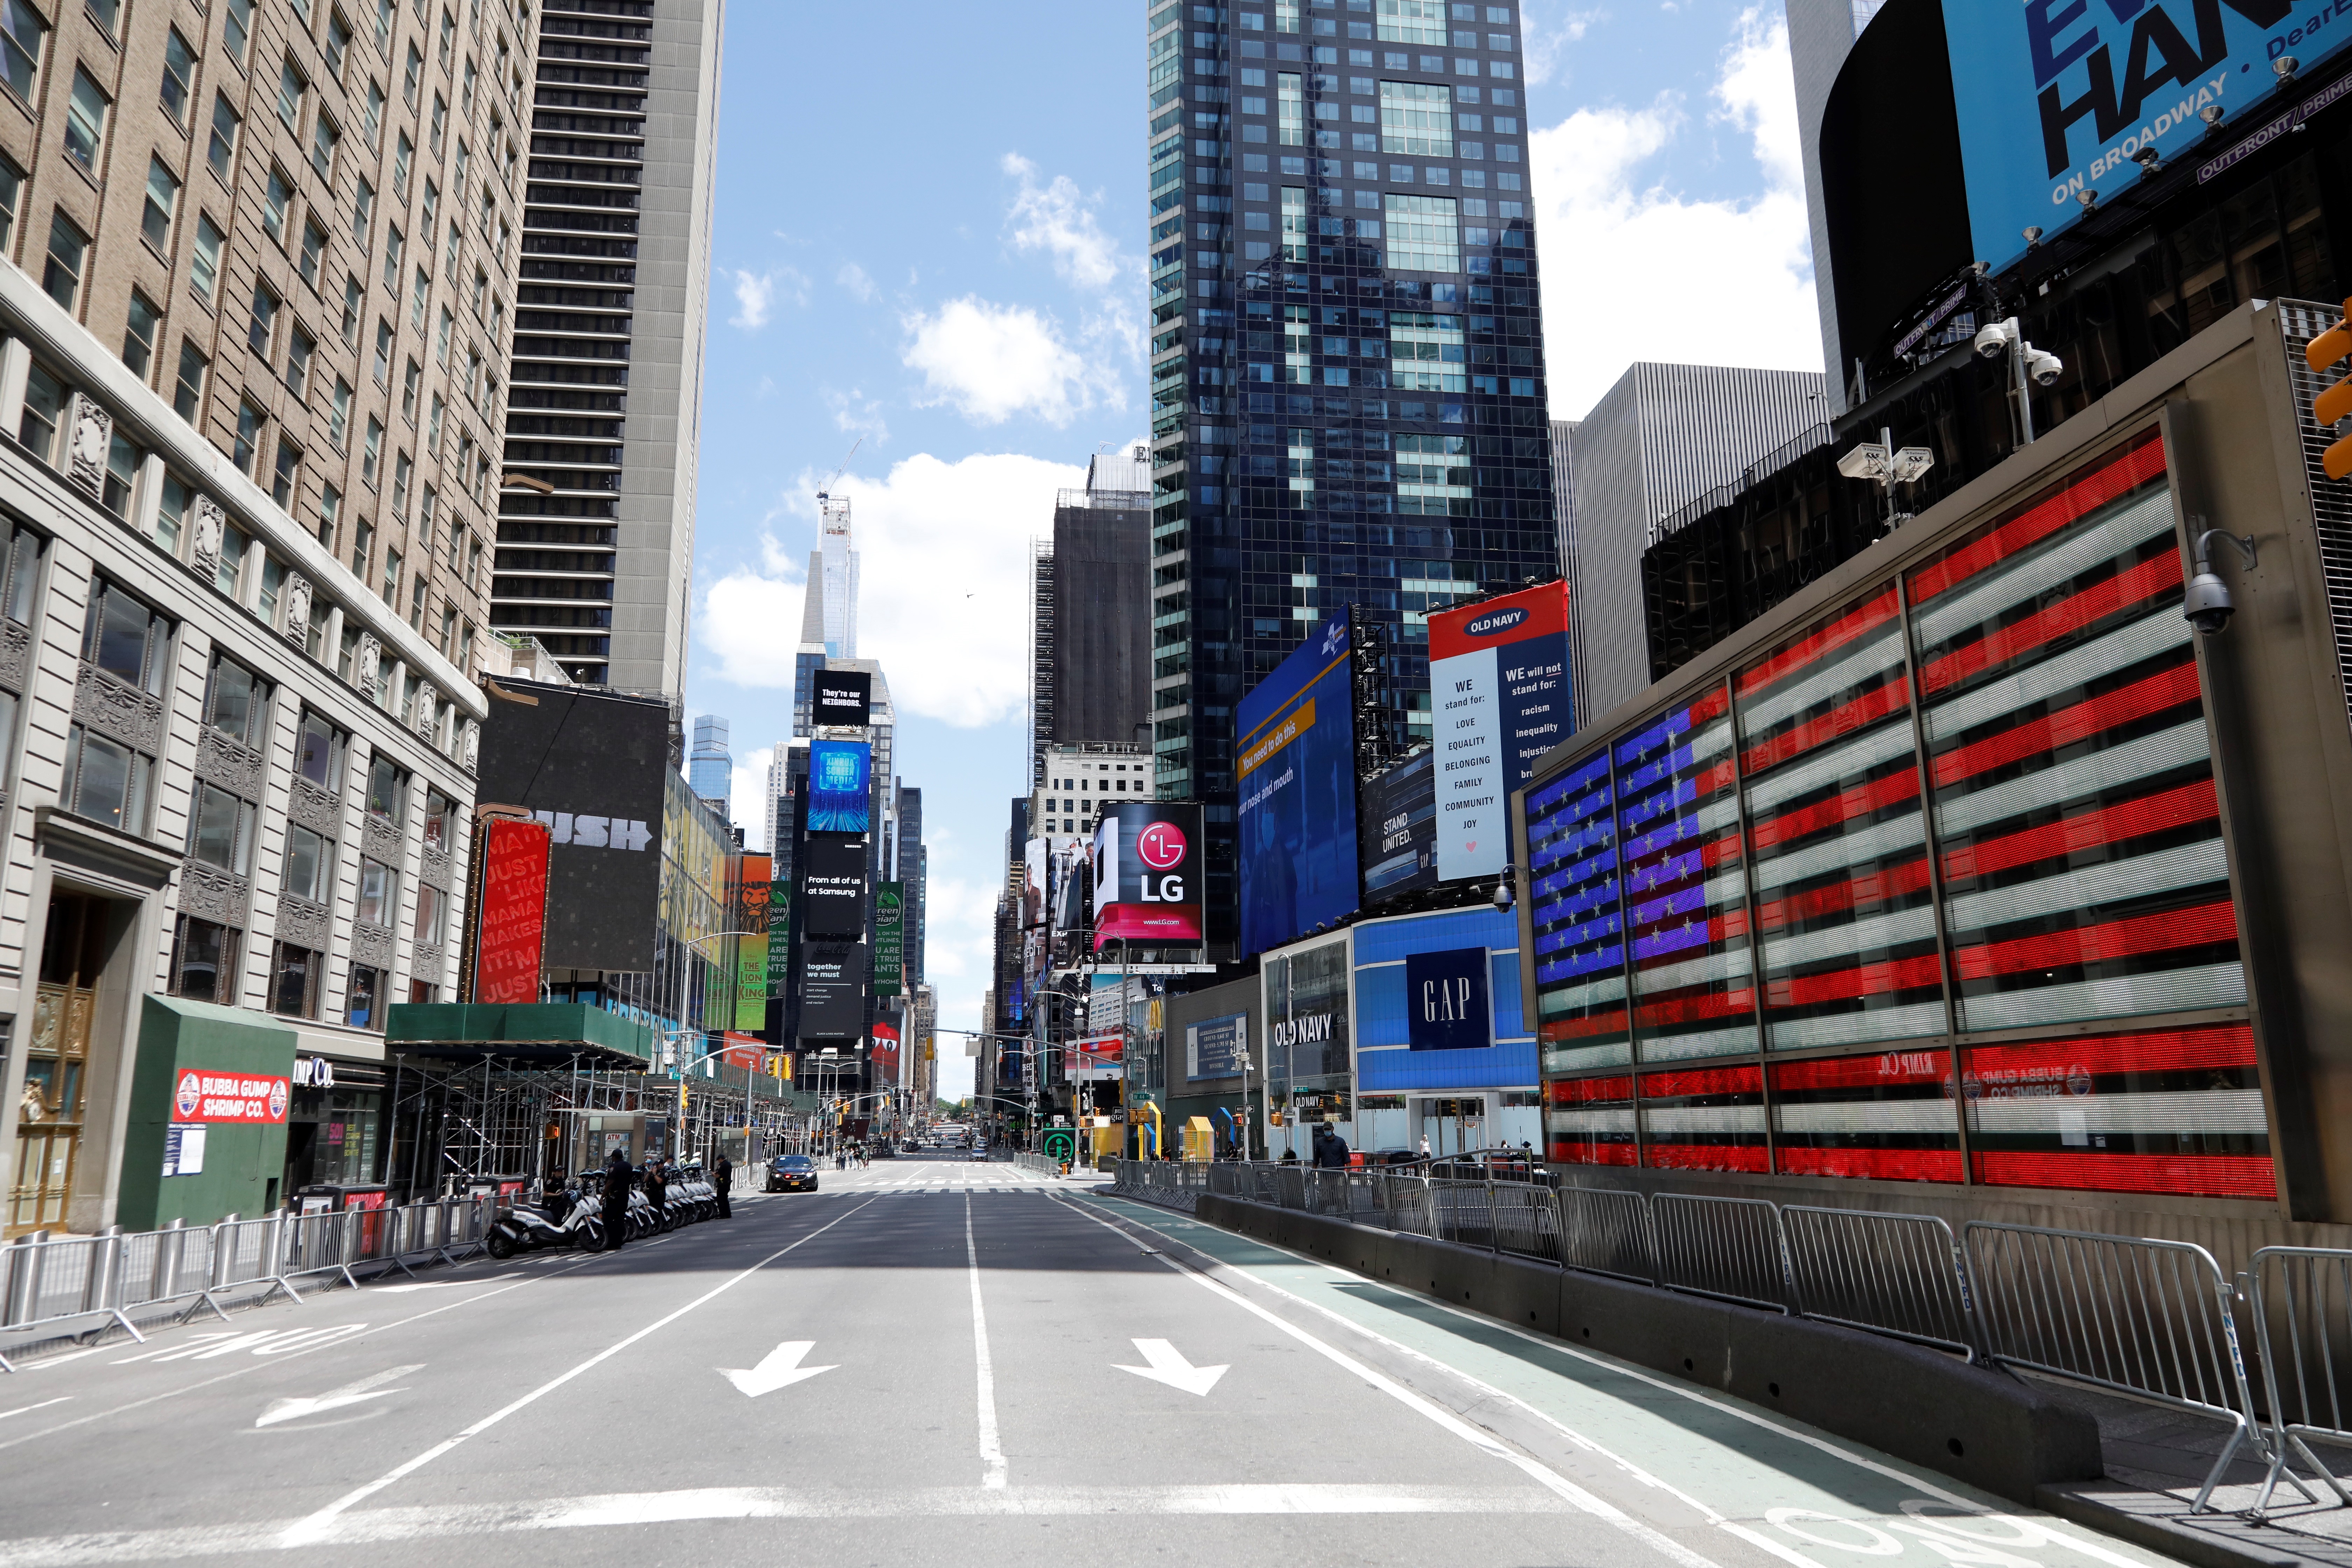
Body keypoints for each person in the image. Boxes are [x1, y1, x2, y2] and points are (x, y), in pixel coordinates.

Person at [600, 1147, 631, 1251]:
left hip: (614, 1196)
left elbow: (610, 1183)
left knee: (608, 1219)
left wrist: (602, 1197)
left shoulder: (614, 1168)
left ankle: (610, 1242)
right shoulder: (629, 1166)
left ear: (614, 1157)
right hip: (625, 1195)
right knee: (620, 1219)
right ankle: (618, 1242)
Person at [712, 1154, 733, 1219]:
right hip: (727, 1184)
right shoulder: (729, 1164)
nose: (719, 1161)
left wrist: (713, 1175)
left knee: (720, 1200)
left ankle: (723, 1214)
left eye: (719, 1160)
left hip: (722, 1184)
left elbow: (718, 1175)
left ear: (721, 1159)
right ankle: (728, 1214)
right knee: (725, 1199)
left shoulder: (722, 1165)